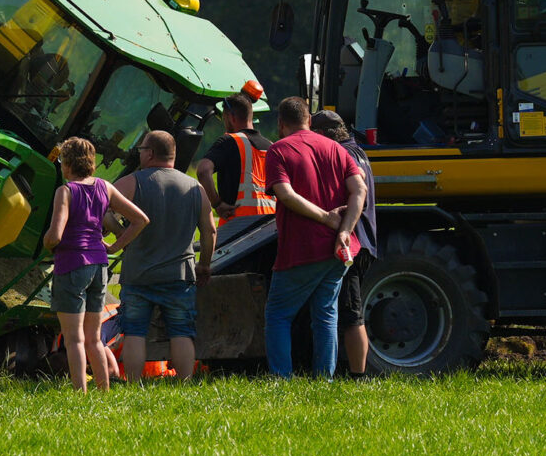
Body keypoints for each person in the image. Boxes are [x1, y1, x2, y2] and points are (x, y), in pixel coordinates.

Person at [262, 97, 365, 378]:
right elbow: (359, 190)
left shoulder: (278, 150)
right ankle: (325, 379)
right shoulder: (337, 149)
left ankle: (281, 378)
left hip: (301, 248)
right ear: (309, 120)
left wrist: (325, 218)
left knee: (278, 315)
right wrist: (343, 229)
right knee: (326, 315)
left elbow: (284, 194)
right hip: (338, 249)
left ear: (281, 124)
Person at [43, 136, 148, 392]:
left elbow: (55, 235)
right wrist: (114, 247)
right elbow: (141, 219)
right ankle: (104, 390)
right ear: (90, 162)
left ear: (67, 164)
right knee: (93, 338)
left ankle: (80, 393)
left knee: (73, 338)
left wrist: (46, 242)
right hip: (99, 265)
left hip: (71, 264)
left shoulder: (66, 191)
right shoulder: (105, 187)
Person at [115, 129, 219, 381]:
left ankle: (133, 384)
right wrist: (204, 265)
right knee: (181, 332)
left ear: (150, 153)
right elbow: (210, 231)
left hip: (138, 274)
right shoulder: (195, 187)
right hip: (179, 275)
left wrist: (121, 237)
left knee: (135, 332)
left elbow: (105, 211)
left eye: (141, 150)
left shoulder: (131, 182)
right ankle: (184, 383)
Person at [312, 108, 378, 376]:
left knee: (352, 314)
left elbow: (355, 196)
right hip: (364, 241)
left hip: (351, 243)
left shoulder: (341, 154)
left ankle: (357, 376)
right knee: (347, 310)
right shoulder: (358, 151)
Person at [194, 91, 274, 226]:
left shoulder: (229, 141)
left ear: (231, 117)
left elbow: (203, 171)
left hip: (236, 228)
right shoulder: (271, 146)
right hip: (269, 227)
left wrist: (217, 204)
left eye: (224, 118)